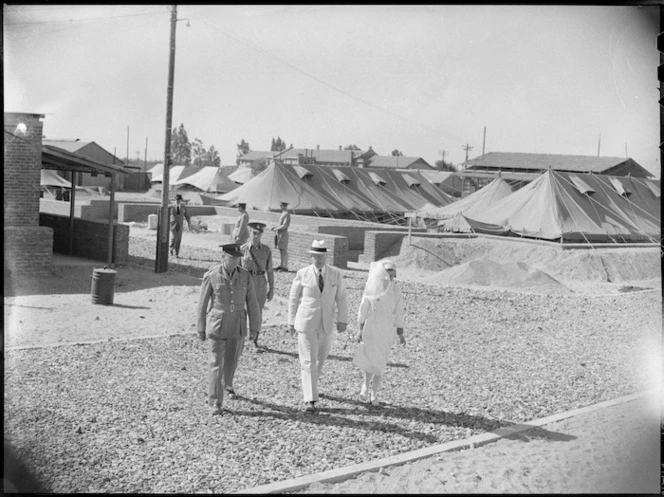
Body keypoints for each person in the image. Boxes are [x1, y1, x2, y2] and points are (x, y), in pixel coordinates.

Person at [197, 243, 261, 415]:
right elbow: (202, 304)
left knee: (232, 361)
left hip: (237, 325)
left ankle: (227, 385)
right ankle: (215, 401)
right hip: (217, 324)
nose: (234, 261)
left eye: (237, 258)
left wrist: (255, 328)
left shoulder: (245, 276)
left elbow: (253, 303)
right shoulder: (211, 276)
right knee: (215, 363)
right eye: (231, 258)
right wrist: (201, 328)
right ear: (223, 257)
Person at [288, 239, 348, 412]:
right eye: (316, 256)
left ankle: (312, 385)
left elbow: (342, 297)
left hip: (326, 323)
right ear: (311, 256)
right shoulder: (302, 273)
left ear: (326, 256)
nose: (319, 259)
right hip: (306, 323)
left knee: (319, 359)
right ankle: (311, 399)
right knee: (308, 360)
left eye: (322, 256)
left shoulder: (335, 274)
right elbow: (293, 298)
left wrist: (343, 319)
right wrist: (291, 321)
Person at [353, 260, 405, 406]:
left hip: (387, 327)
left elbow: (399, 312)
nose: (390, 274)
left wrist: (400, 332)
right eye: (387, 271)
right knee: (370, 357)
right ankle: (365, 386)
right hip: (372, 325)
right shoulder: (373, 287)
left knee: (380, 360)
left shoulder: (396, 291)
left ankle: (374, 392)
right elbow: (363, 308)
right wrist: (360, 328)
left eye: (392, 272)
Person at [240, 222, 274, 352]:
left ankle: (254, 341)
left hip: (260, 283)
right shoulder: (243, 250)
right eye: (254, 233)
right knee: (241, 311)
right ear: (250, 232)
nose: (256, 236)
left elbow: (270, 271)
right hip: (245, 283)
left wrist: (272, 289)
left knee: (257, 313)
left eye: (259, 234)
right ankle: (240, 340)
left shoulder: (266, 250)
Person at [170, 194, 191, 258]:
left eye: (179, 200)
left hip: (180, 225)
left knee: (178, 239)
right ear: (175, 200)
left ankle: (176, 253)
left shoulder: (183, 206)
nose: (178, 201)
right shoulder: (171, 206)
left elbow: (187, 215)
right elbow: (167, 215)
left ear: (180, 200)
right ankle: (171, 248)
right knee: (174, 238)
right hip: (173, 224)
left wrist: (188, 223)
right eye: (176, 200)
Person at [272, 201, 291, 271]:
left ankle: (285, 266)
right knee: (281, 250)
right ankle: (281, 264)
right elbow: (281, 224)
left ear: (284, 206)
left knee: (284, 250)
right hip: (280, 234)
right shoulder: (283, 214)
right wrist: (275, 227)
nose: (280, 207)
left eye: (281, 206)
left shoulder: (286, 214)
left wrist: (277, 228)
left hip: (283, 234)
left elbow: (285, 225)